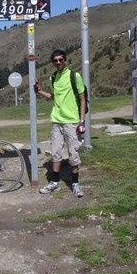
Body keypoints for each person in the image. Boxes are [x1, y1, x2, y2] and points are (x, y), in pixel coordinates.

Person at [34, 49, 86, 198]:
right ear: (53, 62)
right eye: (55, 60)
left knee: (73, 154)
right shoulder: (53, 77)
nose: (58, 62)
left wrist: (81, 121)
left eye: (60, 60)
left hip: (71, 122)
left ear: (65, 60)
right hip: (57, 121)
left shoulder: (74, 76)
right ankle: (54, 182)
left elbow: (82, 98)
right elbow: (53, 96)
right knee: (56, 153)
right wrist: (39, 91)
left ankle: (75, 184)